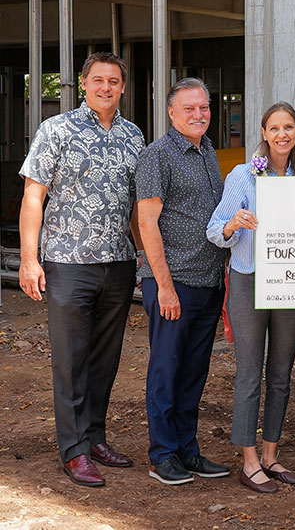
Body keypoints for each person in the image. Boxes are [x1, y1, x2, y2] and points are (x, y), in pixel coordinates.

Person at [18, 52, 143, 487]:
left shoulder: (133, 136)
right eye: (98, 80)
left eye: (114, 81)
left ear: (123, 87)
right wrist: (30, 259)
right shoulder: (56, 130)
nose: (106, 87)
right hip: (68, 264)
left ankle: (94, 437)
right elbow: (34, 195)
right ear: (83, 84)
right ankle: (72, 450)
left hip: (119, 263)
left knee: (105, 359)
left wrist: (142, 254)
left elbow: (135, 206)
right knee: (71, 361)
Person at [207, 102, 295, 493]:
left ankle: (271, 455)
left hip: (289, 283)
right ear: (264, 132)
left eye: (289, 127)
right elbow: (214, 228)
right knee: (249, 372)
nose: (282, 134)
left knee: (282, 374)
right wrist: (234, 224)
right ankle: (249, 459)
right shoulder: (242, 175)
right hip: (248, 280)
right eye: (275, 128)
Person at [136, 78, 230, 486]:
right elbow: (147, 224)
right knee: (166, 371)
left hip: (209, 283)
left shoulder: (208, 152)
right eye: (189, 108)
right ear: (172, 113)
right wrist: (165, 287)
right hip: (173, 284)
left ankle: (187, 450)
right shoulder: (156, 156)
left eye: (204, 107)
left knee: (193, 372)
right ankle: (162, 455)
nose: (198, 114)